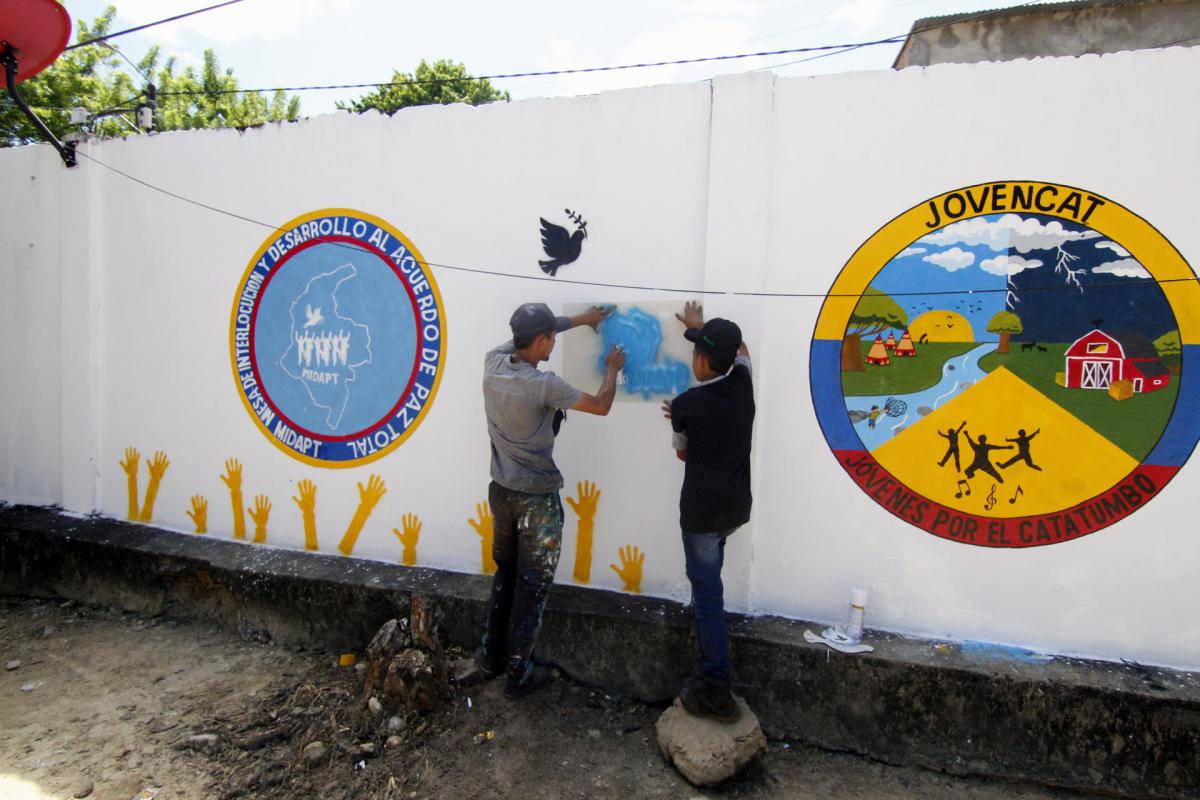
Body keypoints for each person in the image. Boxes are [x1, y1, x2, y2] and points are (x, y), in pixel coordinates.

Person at [476, 302, 625, 698]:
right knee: (533, 586)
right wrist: (612, 367)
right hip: (536, 500)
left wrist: (581, 320)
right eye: (552, 339)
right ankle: (518, 675)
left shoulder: (493, 362)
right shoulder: (545, 385)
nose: (554, 343)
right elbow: (602, 405)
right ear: (540, 341)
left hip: (501, 492)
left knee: (506, 575)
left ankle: (489, 658)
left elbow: (538, 330)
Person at [660, 301, 754, 722]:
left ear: (701, 360)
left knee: (708, 596)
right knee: (708, 584)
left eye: (696, 351)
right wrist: (704, 328)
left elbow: (682, 457)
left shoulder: (685, 405)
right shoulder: (745, 383)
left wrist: (681, 419)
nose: (693, 358)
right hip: (734, 509)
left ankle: (717, 688)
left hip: (700, 515)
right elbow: (743, 352)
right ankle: (709, 666)